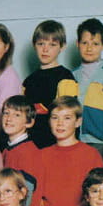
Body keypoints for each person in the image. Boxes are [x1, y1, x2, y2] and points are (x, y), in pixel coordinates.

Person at [37, 96, 103, 206]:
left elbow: (94, 197)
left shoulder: (91, 155)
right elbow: (36, 193)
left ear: (78, 122)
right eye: (55, 117)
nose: (60, 123)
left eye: (67, 118)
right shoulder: (40, 155)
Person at [22, 20, 79, 148]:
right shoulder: (29, 81)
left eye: (52, 44)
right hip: (31, 145)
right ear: (34, 45)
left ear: (62, 47)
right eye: (41, 43)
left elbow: (69, 117)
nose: (45, 49)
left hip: (56, 145)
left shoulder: (66, 78)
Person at [72, 18, 103, 154]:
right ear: (77, 44)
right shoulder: (71, 76)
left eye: (95, 44)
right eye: (84, 43)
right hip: (76, 140)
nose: (89, 48)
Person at [0, 95, 44, 206]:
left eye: (17, 115)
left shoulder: (28, 153)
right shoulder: (8, 150)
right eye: (6, 113)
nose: (9, 119)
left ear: (29, 122)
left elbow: (26, 197)